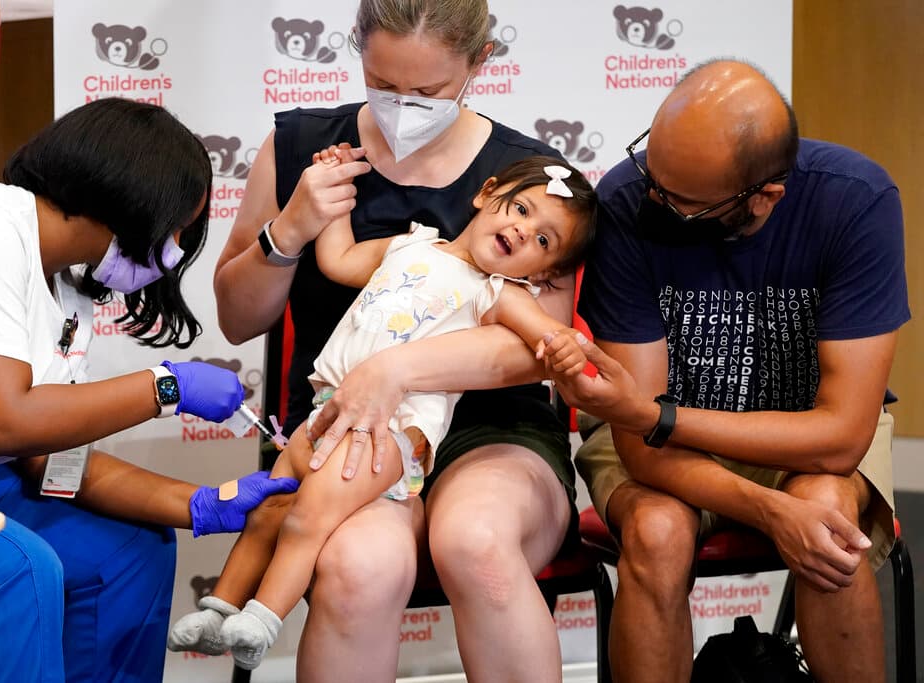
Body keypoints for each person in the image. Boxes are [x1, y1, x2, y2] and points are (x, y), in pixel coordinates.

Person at [212, 1, 583, 680]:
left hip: (490, 431)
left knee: (476, 541)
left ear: (481, 62)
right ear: (357, 48)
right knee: (359, 567)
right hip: (348, 428)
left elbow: (533, 347)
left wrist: (398, 369)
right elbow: (237, 319)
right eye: (383, 84)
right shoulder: (302, 148)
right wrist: (289, 230)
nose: (402, 106)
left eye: (429, 92)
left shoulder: (531, 185)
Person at [0, 97, 298, 683]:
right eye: (179, 225)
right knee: (17, 569)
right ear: (135, 200)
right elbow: (5, 423)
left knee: (131, 551)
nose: (175, 245)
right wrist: (167, 388)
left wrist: (202, 503)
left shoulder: (68, 292)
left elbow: (46, 460)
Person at [542, 59, 908, 683]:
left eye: (681, 203)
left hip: (799, 440)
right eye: (651, 172)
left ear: (765, 196)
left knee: (828, 521)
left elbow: (842, 434)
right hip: (656, 445)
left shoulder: (856, 202)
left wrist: (664, 417)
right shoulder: (628, 204)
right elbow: (642, 443)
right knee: (657, 533)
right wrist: (768, 510)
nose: (652, 200)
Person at [170, 154, 595, 669]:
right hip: (328, 411)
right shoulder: (410, 242)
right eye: (521, 209)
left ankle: (263, 618)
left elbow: (546, 340)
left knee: (308, 519)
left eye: (544, 241)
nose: (523, 231)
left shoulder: (498, 293)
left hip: (388, 434)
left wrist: (566, 347)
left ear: (544, 273)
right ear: (487, 193)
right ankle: (220, 611)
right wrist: (337, 195)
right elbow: (337, 258)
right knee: (269, 512)